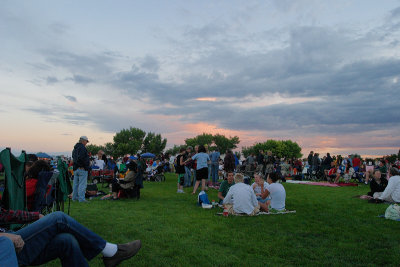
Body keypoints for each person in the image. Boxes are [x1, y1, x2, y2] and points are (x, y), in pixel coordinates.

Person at [0, 209, 141, 267]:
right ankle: (110, 251)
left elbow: (3, 214)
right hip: (5, 247)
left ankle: (110, 253)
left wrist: (35, 216)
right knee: (58, 218)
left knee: (66, 240)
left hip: (9, 238)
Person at [72, 136, 90, 202]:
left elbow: (74, 157)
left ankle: (74, 197)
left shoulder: (75, 148)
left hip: (75, 168)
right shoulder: (82, 148)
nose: (86, 143)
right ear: (83, 141)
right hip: (82, 168)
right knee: (82, 184)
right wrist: (85, 166)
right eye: (86, 141)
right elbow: (82, 158)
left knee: (75, 184)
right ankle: (81, 199)